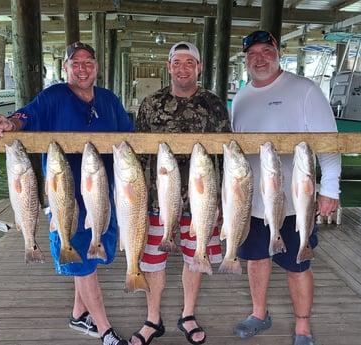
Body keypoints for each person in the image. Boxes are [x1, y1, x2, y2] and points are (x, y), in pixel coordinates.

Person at [0, 41, 134, 345]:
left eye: (88, 62)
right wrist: (5, 122)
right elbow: (22, 119)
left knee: (87, 261)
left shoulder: (109, 100)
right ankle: (105, 331)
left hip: (102, 197)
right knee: (83, 265)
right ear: (65, 68)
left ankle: (79, 315)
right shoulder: (52, 97)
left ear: (97, 67)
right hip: (65, 198)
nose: (82, 68)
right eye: (75, 63)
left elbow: (130, 136)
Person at [231, 30, 341, 345]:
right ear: (246, 59)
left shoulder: (304, 90)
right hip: (251, 201)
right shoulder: (240, 97)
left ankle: (303, 327)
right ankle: (258, 313)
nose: (260, 58)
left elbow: (329, 142)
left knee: (298, 263)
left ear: (278, 52)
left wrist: (331, 188)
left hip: (296, 201)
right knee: (256, 259)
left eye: (266, 50)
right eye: (253, 54)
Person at [132, 41, 232, 345]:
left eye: (190, 62)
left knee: (196, 257)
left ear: (199, 67)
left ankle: (187, 314)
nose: (183, 68)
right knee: (152, 260)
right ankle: (153, 319)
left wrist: (226, 201)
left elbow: (226, 155)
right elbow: (137, 154)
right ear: (169, 66)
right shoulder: (150, 104)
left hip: (202, 200)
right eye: (177, 62)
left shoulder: (215, 104)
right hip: (156, 198)